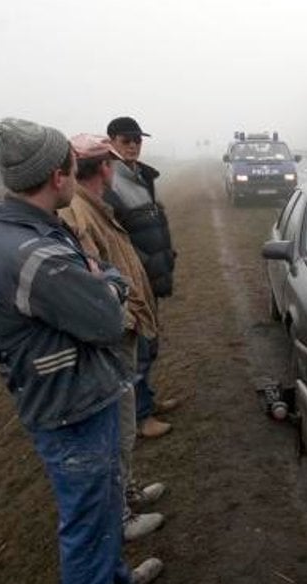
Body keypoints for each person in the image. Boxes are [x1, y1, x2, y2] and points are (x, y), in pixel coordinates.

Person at [0, 117, 162, 584]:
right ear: (57, 176)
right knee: (87, 525)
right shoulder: (34, 254)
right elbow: (107, 316)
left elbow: (92, 277)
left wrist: (95, 276)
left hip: (70, 393)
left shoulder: (17, 230)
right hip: (72, 404)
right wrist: (108, 281)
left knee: (101, 508)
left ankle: (116, 580)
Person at [59, 133, 167, 541]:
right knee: (116, 431)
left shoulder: (92, 207)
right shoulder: (81, 215)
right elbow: (94, 284)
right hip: (114, 336)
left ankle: (127, 493)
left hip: (121, 330)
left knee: (121, 427)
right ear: (105, 166)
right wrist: (127, 321)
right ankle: (119, 514)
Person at [106, 116, 177, 439]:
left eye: (137, 139)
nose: (133, 145)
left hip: (150, 276)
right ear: (111, 142)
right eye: (126, 139)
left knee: (151, 343)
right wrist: (142, 266)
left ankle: (147, 402)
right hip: (133, 280)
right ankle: (140, 418)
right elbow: (115, 238)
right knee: (139, 350)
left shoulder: (140, 176)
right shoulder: (110, 181)